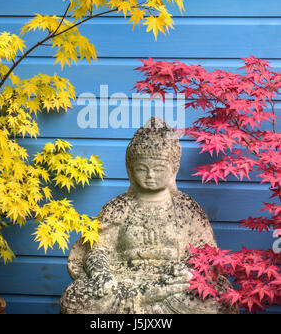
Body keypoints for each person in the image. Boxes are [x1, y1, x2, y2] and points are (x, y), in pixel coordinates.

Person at [60, 117, 237, 314]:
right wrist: (102, 274)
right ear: (130, 169)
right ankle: (145, 298)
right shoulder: (118, 207)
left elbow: (206, 255)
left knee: (219, 298)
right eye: (142, 169)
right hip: (125, 284)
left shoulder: (186, 207)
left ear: (174, 169)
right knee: (75, 298)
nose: (150, 175)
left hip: (173, 288)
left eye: (159, 169)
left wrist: (187, 273)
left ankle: (152, 297)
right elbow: (96, 249)